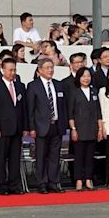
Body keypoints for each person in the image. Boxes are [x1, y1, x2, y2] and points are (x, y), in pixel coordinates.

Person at [27, 59, 68, 194]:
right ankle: (42, 183)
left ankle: (54, 182)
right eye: (47, 68)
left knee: (54, 155)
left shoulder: (58, 84)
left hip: (57, 125)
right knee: (41, 155)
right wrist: (32, 127)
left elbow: (62, 107)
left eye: (51, 67)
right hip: (41, 126)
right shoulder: (33, 86)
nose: (50, 70)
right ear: (39, 70)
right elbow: (30, 109)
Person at [0, 58, 28, 195]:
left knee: (15, 158)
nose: (13, 72)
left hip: (17, 128)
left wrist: (24, 127)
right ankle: (2, 185)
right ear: (3, 70)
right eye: (10, 70)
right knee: (1, 158)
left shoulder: (20, 86)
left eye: (14, 70)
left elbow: (23, 108)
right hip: (2, 129)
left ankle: (14, 185)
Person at [68, 67, 103, 191]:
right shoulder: (74, 92)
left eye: (88, 76)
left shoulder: (94, 91)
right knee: (79, 157)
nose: (86, 78)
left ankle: (88, 180)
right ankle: (78, 181)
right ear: (79, 78)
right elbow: (70, 113)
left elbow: (98, 112)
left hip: (92, 128)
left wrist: (100, 129)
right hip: (79, 129)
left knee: (90, 157)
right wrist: (73, 129)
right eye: (83, 76)